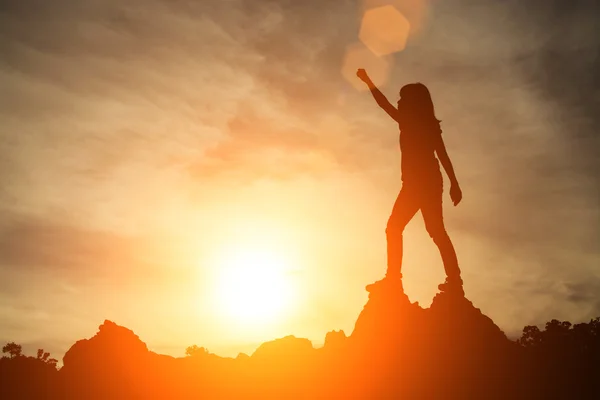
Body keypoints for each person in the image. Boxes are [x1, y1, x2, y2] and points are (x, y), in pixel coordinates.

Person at [357, 68, 464, 295]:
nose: (399, 101)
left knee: (399, 228)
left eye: (403, 97)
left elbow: (383, 104)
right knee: (431, 231)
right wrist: (453, 183)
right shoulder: (419, 123)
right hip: (425, 182)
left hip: (421, 183)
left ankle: (395, 279)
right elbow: (442, 155)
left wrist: (368, 81)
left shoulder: (413, 122)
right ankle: (451, 280)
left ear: (414, 102)